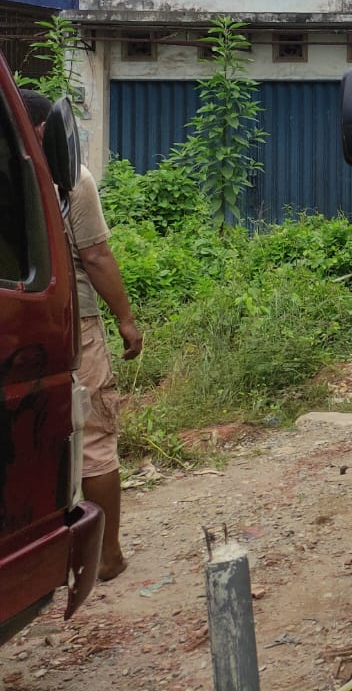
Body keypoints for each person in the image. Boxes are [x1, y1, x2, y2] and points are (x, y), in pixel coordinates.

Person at [21, 89, 142, 581]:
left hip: (16, 326)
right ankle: (107, 555)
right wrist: (128, 321)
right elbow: (95, 256)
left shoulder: (10, 175)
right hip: (73, 325)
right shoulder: (71, 179)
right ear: (46, 130)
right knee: (94, 440)